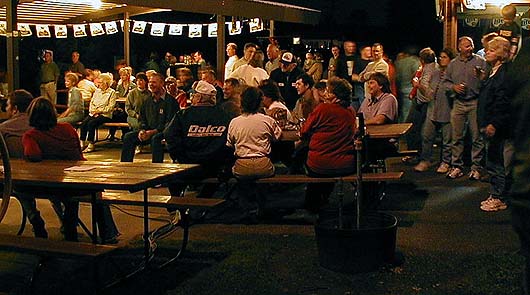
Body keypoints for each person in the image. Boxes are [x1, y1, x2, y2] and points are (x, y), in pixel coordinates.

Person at [23, 97, 120, 243]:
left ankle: (69, 233)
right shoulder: (68, 128)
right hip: (78, 177)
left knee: (62, 193)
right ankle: (108, 233)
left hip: (52, 183)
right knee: (95, 192)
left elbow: (33, 155)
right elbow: (78, 152)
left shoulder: (31, 135)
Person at [164, 80, 234, 198]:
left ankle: (176, 209)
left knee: (172, 179)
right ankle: (202, 202)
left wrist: (180, 156)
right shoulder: (225, 115)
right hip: (216, 167)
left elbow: (169, 135)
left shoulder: (183, 115)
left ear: (200, 97)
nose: (192, 98)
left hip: (188, 165)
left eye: (194, 95)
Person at [300, 77, 356, 213]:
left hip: (319, 164)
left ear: (334, 95)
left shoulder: (322, 109)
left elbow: (304, 131)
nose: (324, 94)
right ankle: (322, 201)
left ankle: (312, 205)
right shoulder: (350, 111)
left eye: (327, 91)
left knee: (305, 157)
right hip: (345, 164)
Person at [226, 87, 282, 222]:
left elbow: (229, 144)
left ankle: (246, 209)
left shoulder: (235, 122)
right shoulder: (266, 120)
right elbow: (278, 137)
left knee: (242, 182)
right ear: (259, 102)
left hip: (242, 165)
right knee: (278, 171)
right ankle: (263, 208)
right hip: (263, 164)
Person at [0, 90, 48, 238]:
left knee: (17, 183)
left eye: (7, 105)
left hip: (17, 180)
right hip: (49, 178)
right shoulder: (44, 125)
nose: (6, 109)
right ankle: (68, 224)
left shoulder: (4, 129)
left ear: (14, 108)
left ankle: (34, 217)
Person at [444, 36, 488, 180]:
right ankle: (457, 166)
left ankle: (476, 168)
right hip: (458, 103)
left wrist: (482, 77)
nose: (470, 48)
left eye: (471, 45)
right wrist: (454, 87)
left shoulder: (481, 62)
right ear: (459, 48)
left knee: (477, 137)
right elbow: (445, 83)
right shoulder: (452, 64)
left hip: (475, 102)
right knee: (456, 137)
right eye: (467, 46)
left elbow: (488, 81)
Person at [477, 37, 513, 212]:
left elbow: (502, 102)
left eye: (491, 50)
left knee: (495, 161)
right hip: (488, 123)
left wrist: (494, 123)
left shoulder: (503, 74)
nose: (486, 52)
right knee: (492, 160)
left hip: (495, 125)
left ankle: (499, 197)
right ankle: (497, 194)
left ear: (500, 53)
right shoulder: (493, 72)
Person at [414, 48, 456, 173]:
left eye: (444, 57)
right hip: (433, 108)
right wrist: (420, 87)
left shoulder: (453, 74)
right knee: (426, 135)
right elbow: (429, 93)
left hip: (447, 109)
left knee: (447, 139)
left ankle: (446, 162)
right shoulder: (436, 73)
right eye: (441, 57)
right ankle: (425, 160)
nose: (441, 59)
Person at [120, 72, 178, 163]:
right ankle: (125, 165)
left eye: (154, 82)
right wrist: (142, 130)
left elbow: (170, 123)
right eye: (150, 82)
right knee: (128, 137)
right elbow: (143, 118)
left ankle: (156, 166)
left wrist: (153, 132)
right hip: (148, 131)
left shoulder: (170, 102)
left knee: (156, 139)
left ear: (162, 83)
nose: (151, 84)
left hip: (163, 132)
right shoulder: (148, 101)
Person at [79, 73, 117, 152]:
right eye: (98, 82)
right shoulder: (97, 91)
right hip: (94, 112)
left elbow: (110, 107)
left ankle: (91, 144)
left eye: (101, 83)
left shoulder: (112, 92)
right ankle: (82, 142)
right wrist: (93, 111)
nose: (99, 84)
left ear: (106, 83)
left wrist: (99, 111)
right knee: (84, 123)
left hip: (105, 114)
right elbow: (91, 102)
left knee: (91, 123)